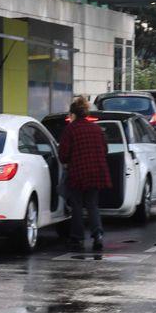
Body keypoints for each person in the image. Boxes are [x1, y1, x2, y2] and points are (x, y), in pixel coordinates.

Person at [56, 96, 110, 251]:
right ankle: (97, 235)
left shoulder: (70, 130)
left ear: (73, 114)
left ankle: (77, 238)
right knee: (93, 205)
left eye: (69, 115)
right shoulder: (96, 129)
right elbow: (105, 150)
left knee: (77, 206)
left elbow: (63, 155)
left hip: (78, 173)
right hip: (96, 172)